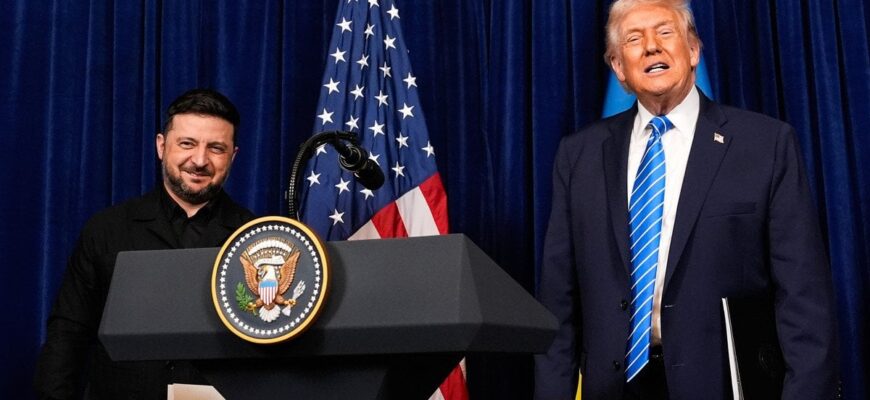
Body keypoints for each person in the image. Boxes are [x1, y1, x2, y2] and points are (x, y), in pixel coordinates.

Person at [534, 1, 839, 399]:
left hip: (723, 386)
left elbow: (803, 298)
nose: (651, 46)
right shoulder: (579, 156)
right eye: (634, 39)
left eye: (665, 32)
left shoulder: (766, 145)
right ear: (619, 67)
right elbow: (558, 303)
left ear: (693, 50)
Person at [34, 88, 256, 399]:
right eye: (187, 143)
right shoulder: (106, 229)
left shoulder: (256, 239)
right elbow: (67, 334)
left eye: (216, 148)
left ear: (232, 156)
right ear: (161, 146)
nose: (199, 160)